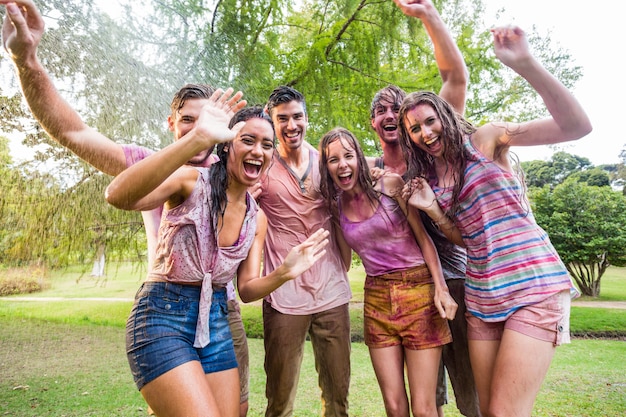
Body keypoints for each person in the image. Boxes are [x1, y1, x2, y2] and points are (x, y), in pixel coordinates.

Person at [1, 2, 250, 415]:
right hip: (166, 307)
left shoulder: (236, 172)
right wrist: (26, 61)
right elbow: (72, 131)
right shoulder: (149, 167)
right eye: (186, 120)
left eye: (205, 119)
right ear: (171, 125)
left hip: (223, 310)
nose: (196, 127)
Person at [398, 26, 592, 417]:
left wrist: (526, 64)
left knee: (505, 412)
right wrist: (431, 209)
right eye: (415, 129)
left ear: (445, 116)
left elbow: (576, 126)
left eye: (429, 121)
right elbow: (465, 239)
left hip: (532, 284)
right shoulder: (435, 182)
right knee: (488, 411)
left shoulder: (485, 141)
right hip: (483, 295)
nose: (425, 132)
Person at [103, 102, 330, 417]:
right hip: (161, 318)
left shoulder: (256, 215)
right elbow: (117, 195)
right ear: (226, 146)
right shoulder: (191, 181)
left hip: (216, 323)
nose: (258, 150)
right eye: (247, 140)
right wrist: (197, 138)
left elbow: (247, 289)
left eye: (267, 145)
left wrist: (285, 272)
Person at [369, 2, 481, 416]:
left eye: (395, 108)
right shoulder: (369, 172)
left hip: (458, 281)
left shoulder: (433, 151)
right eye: (379, 110)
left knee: (473, 391)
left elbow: (455, 78)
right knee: (426, 400)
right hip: (410, 293)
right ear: (373, 124)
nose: (388, 115)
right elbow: (324, 165)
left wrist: (429, 16)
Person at [319, 127, 457, 417]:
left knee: (423, 407)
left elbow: (423, 239)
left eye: (348, 155)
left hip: (418, 291)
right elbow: (343, 262)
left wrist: (440, 288)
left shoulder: (390, 185)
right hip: (377, 299)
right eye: (333, 160)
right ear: (327, 167)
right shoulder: (336, 208)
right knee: (394, 407)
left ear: (359, 157)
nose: (342, 164)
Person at [259, 85, 352, 417]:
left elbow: (353, 196)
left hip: (331, 292)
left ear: (307, 119)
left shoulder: (325, 162)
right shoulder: (261, 166)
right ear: (272, 123)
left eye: (297, 117)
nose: (291, 125)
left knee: (337, 397)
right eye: (282, 119)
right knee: (280, 400)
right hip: (284, 298)